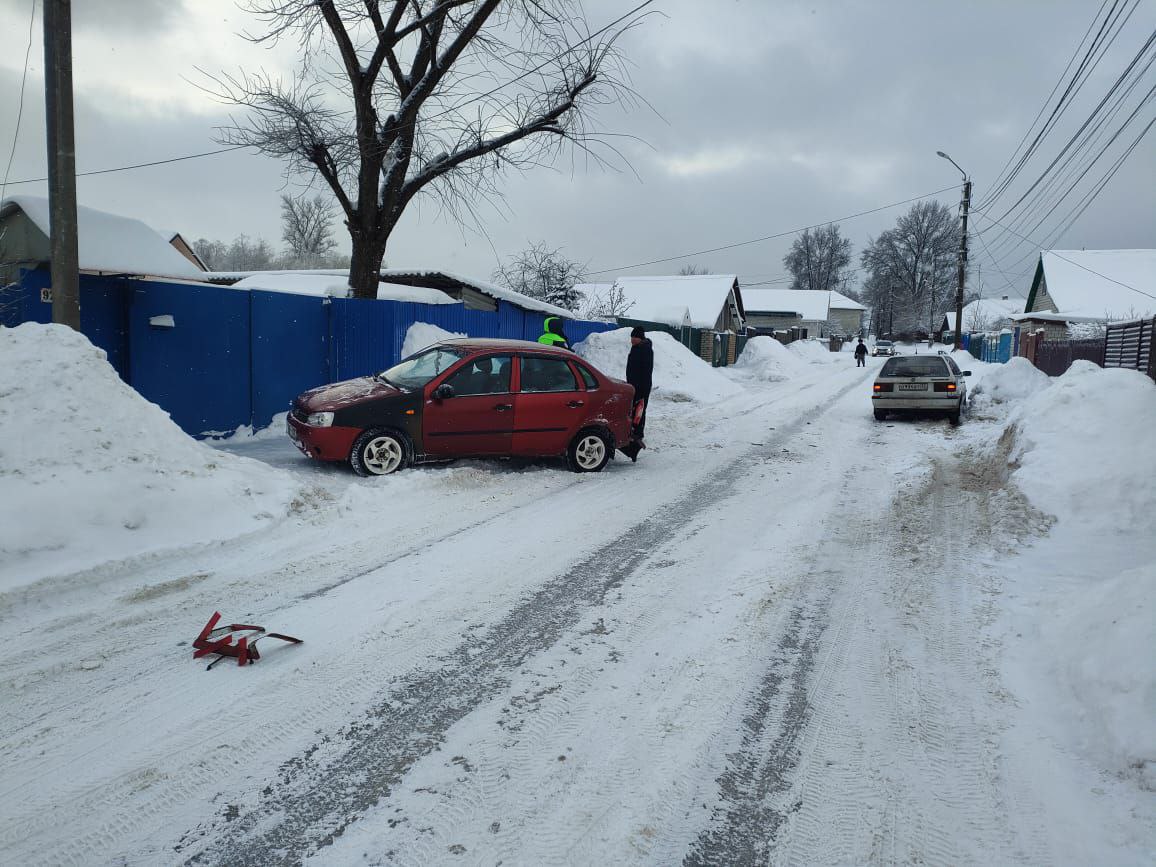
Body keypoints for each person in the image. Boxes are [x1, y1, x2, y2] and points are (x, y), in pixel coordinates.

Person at [620, 326, 653, 462]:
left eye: (634, 337)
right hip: (634, 385)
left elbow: (645, 371)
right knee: (634, 410)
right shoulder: (637, 348)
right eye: (631, 337)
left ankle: (638, 434)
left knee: (640, 410)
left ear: (640, 338)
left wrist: (639, 387)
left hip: (642, 386)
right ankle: (634, 431)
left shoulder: (645, 350)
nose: (632, 340)